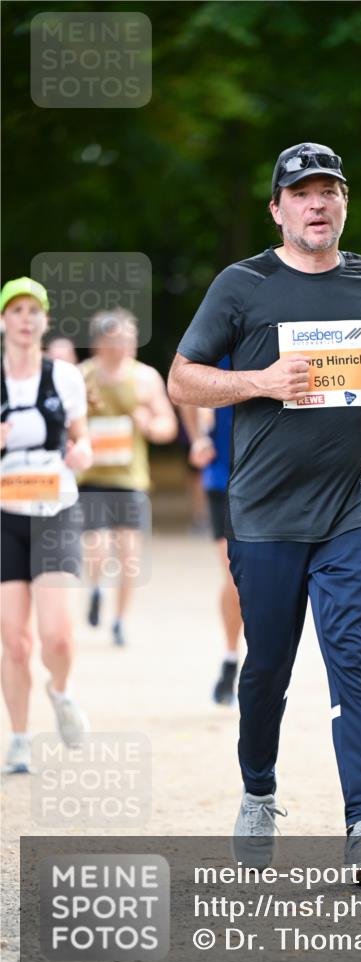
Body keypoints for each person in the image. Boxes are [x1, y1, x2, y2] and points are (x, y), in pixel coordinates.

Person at [168, 141, 361, 876]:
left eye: (328, 191)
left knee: (353, 665)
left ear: (343, 203)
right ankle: (256, 792)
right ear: (277, 209)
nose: (317, 204)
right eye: (301, 193)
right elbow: (182, 380)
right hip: (265, 517)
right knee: (268, 665)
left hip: (352, 511)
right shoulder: (242, 286)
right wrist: (261, 381)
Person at [1, 277, 92, 774]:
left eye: (33, 311)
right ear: (3, 321)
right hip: (3, 519)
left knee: (56, 636)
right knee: (14, 640)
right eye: (15, 310)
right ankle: (18, 738)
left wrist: (82, 451)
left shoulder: (63, 377)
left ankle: (61, 690)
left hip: (55, 509)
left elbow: (83, 439)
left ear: (45, 320)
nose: (25, 319)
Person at [78, 308, 178, 646]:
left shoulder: (146, 378)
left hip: (130, 479)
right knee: (97, 547)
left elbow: (168, 427)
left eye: (130, 338)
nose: (126, 345)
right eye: (118, 338)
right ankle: (95, 588)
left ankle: (119, 621)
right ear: (99, 342)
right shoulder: (81, 378)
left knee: (129, 556)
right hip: (91, 476)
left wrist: (148, 424)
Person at [180, 361, 243, 705]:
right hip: (223, 476)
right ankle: (231, 658)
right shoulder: (219, 338)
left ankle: (264, 667)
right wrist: (198, 437)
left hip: (270, 477)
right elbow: (184, 388)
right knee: (235, 576)